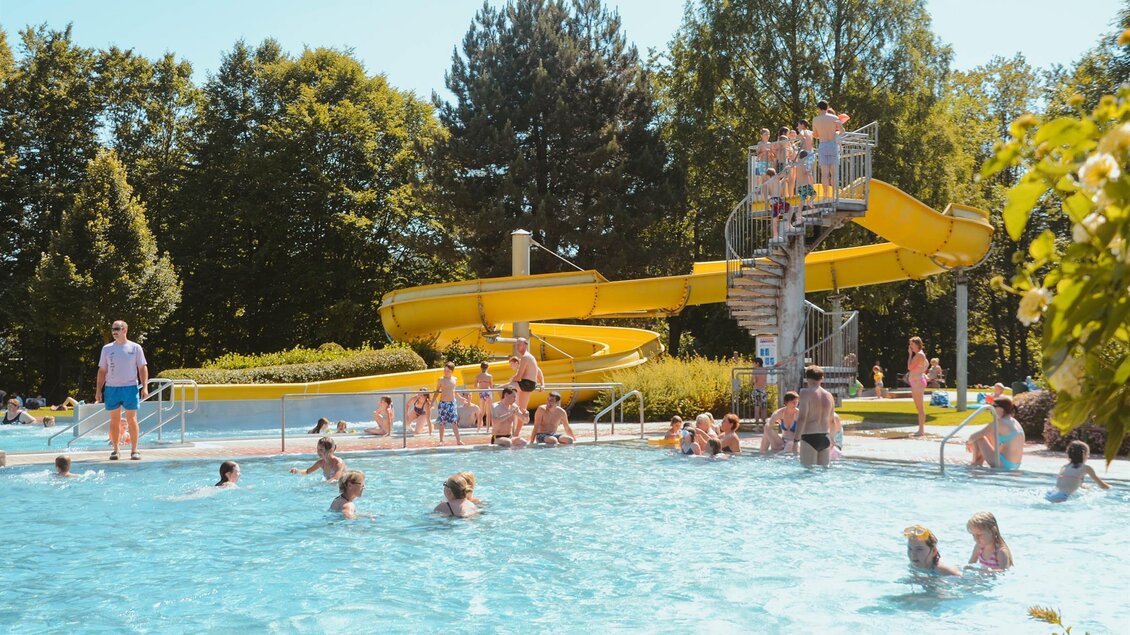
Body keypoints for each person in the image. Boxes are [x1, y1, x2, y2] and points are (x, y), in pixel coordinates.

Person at [95, 320, 149, 461]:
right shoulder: (107, 349)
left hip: (130, 387)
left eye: (117, 328)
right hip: (112, 388)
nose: (114, 331)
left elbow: (142, 367)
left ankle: (135, 450)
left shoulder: (135, 347)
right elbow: (102, 370)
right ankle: (115, 449)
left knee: (131, 419)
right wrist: (98, 390)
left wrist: (145, 386)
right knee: (115, 420)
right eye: (113, 328)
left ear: (124, 330)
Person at [965, 397, 1025, 470]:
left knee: (979, 438)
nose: (991, 409)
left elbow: (973, 436)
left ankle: (975, 463)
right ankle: (977, 462)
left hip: (1003, 464)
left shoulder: (999, 423)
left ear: (1002, 408)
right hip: (1014, 465)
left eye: (994, 406)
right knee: (987, 435)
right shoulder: (1014, 422)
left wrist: (968, 443)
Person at [1046, 440, 1112, 502]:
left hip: (1050, 494)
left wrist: (1082, 486)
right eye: (1088, 454)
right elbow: (1102, 486)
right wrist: (1111, 488)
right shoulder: (1086, 468)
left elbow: (1069, 482)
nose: (1088, 456)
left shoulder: (1064, 467)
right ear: (1084, 454)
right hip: (1063, 497)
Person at [796, 366, 836, 467]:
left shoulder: (805, 393)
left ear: (807, 379)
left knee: (807, 473)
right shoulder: (829, 396)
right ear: (822, 378)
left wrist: (796, 440)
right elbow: (832, 421)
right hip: (825, 437)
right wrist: (832, 439)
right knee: (823, 473)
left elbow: (802, 418)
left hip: (809, 437)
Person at [812, 100, 845, 202]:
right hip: (833, 144)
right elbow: (842, 131)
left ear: (818, 108)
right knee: (834, 173)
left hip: (823, 145)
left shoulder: (815, 119)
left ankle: (826, 195)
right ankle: (834, 195)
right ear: (827, 107)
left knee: (825, 173)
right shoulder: (834, 118)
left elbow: (815, 135)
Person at [512, 337, 541, 435]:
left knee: (503, 388)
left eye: (519, 344)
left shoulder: (525, 357)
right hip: (530, 384)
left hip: (525, 383)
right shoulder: (530, 357)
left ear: (525, 344)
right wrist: (543, 384)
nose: (517, 347)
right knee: (522, 408)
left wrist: (512, 379)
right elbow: (539, 371)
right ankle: (517, 432)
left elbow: (519, 376)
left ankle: (508, 405)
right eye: (516, 344)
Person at [432, 362, 464, 446]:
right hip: (443, 403)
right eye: (444, 370)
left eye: (448, 371)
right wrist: (432, 402)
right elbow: (437, 391)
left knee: (454, 422)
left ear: (452, 371)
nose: (445, 372)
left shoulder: (454, 379)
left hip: (452, 403)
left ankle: (458, 440)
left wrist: (460, 398)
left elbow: (454, 390)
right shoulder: (441, 379)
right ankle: (441, 440)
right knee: (442, 423)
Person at [906, 337, 929, 436]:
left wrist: (910, 355)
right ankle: (920, 429)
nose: (910, 346)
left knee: (920, 407)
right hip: (916, 381)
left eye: (912, 344)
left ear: (917, 344)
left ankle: (921, 430)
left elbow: (909, 367)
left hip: (917, 382)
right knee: (918, 407)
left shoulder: (919, 355)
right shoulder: (920, 355)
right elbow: (926, 365)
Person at [474, 361, 494, 431]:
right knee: (488, 412)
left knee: (481, 411)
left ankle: (478, 428)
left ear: (481, 367)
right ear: (487, 367)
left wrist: (480, 385)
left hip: (482, 393)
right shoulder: (490, 376)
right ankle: (488, 429)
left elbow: (475, 386)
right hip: (488, 392)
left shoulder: (478, 376)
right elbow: (491, 386)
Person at [750, 357, 769, 425]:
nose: (753, 364)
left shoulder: (755, 370)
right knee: (764, 407)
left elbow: (753, 381)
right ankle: (764, 423)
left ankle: (757, 424)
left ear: (757, 363)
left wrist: (751, 382)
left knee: (757, 407)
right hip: (763, 390)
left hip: (756, 390)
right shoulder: (765, 370)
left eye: (753, 363)